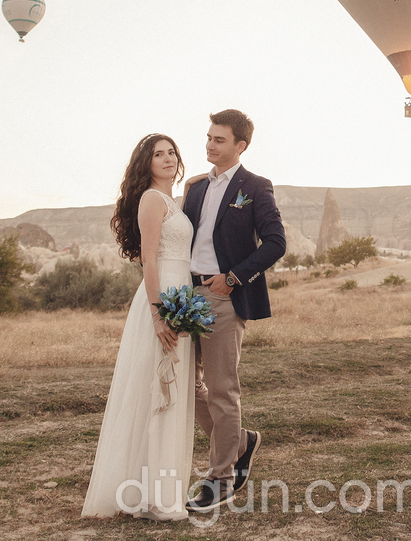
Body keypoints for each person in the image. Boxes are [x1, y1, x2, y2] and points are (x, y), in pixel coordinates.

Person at [82, 134, 197, 521]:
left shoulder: (173, 201)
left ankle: (157, 493)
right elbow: (149, 261)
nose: (166, 159)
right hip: (162, 294)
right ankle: (155, 498)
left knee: (169, 389)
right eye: (157, 154)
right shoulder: (151, 199)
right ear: (145, 163)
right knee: (157, 388)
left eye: (171, 153)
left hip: (181, 293)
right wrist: (158, 313)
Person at [181, 109, 287, 512]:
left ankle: (221, 478)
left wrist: (233, 278)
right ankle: (239, 441)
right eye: (208, 137)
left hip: (224, 296)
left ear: (240, 145)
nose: (210, 144)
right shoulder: (194, 188)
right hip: (186, 296)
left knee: (223, 388)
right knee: (185, 384)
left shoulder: (255, 187)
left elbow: (276, 243)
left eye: (219, 140)